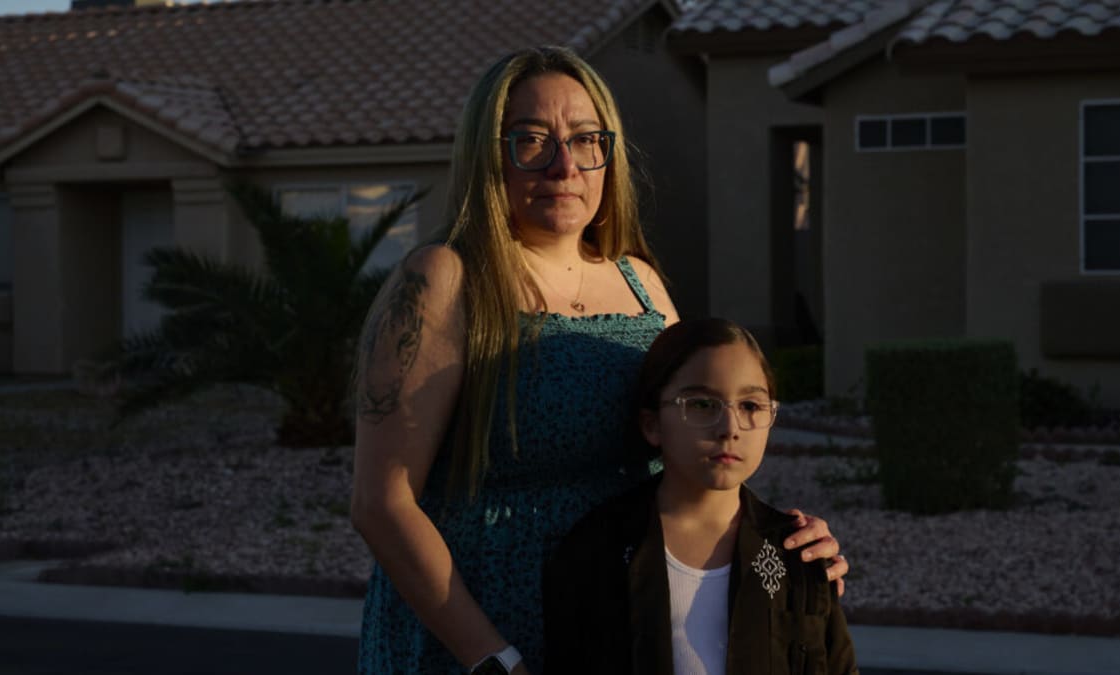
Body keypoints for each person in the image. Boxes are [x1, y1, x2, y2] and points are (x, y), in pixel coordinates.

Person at [350, 46, 848, 675]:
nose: (564, 166)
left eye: (586, 140)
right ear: (486, 154)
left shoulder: (641, 282)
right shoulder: (444, 280)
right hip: (478, 629)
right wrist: (494, 658)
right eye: (531, 141)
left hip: (620, 624)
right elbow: (381, 501)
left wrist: (782, 540)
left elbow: (697, 445)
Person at [543, 318, 858, 675]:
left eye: (751, 406)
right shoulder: (598, 550)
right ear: (652, 424)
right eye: (702, 405)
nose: (729, 429)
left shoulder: (797, 551)